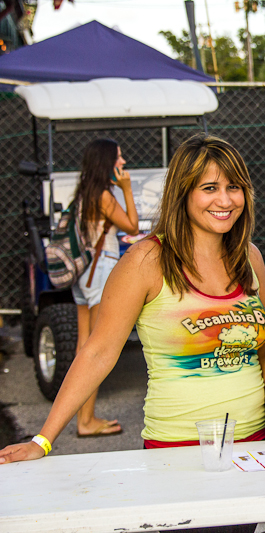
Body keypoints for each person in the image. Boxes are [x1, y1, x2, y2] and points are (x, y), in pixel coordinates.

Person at [1, 135, 265, 531]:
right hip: (177, 453)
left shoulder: (250, 257)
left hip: (250, 448)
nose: (225, 201)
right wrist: (43, 440)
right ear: (182, 193)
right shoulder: (145, 260)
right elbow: (98, 353)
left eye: (234, 187)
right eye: (209, 188)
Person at [71, 139, 139, 437]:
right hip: (100, 272)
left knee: (84, 347)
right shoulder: (105, 196)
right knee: (97, 349)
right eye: (119, 158)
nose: (122, 163)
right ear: (107, 162)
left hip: (83, 273)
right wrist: (126, 189)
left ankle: (84, 419)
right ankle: (86, 421)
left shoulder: (84, 194)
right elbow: (133, 227)